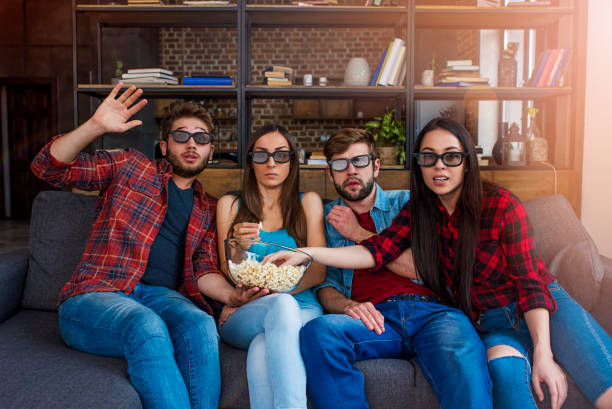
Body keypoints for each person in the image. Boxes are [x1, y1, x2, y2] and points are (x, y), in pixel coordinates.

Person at [270, 118, 612, 409]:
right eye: (429, 158)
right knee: (319, 333)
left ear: (466, 160)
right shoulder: (420, 209)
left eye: (450, 157)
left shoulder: (492, 203)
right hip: (477, 321)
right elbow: (376, 252)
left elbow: (526, 281)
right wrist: (309, 253)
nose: (439, 167)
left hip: (515, 310)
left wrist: (543, 352)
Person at [30, 83, 266, 409]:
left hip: (162, 298)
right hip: (99, 293)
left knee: (200, 324)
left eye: (201, 138)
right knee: (145, 326)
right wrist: (94, 126)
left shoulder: (209, 208)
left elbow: (203, 269)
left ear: (212, 151)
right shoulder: (131, 167)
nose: (192, 144)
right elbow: (48, 167)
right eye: (181, 136)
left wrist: (232, 296)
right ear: (164, 146)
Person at [290, 128, 493, 409]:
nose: (351, 170)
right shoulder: (323, 219)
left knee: (462, 355)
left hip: (432, 312)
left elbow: (424, 268)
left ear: (375, 165)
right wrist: (350, 305)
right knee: (318, 332)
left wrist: (357, 232)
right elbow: (326, 285)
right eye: (340, 164)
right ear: (330, 173)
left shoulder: (410, 203)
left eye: (359, 161)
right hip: (374, 319)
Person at [215, 124, 326, 409]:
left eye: (281, 155)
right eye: (261, 155)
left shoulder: (308, 203)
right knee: (279, 306)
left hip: (304, 309)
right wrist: (237, 247)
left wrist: (277, 290)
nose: (271, 163)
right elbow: (230, 273)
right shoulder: (230, 205)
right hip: (249, 309)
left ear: (292, 161)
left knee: (264, 345)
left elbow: (318, 270)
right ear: (251, 161)